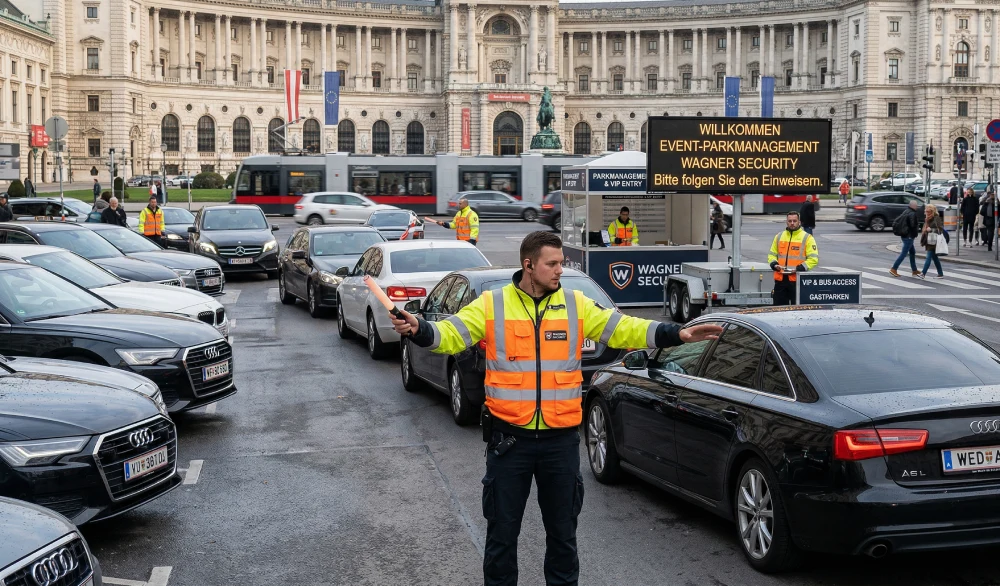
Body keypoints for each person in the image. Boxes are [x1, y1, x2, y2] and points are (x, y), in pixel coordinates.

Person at [388, 231, 723, 586]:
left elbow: (625, 329)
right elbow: (451, 334)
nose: (560, 270)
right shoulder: (492, 304)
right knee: (502, 538)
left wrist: (676, 334)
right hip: (508, 443)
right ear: (528, 265)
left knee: (563, 539)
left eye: (562, 263)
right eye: (553, 263)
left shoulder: (576, 305)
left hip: (559, 444)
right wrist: (419, 329)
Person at [767, 211, 819, 305]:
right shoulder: (779, 236)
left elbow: (813, 259)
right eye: (790, 221)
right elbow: (772, 254)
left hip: (797, 281)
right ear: (786, 222)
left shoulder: (807, 238)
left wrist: (798, 269)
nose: (792, 223)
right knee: (778, 311)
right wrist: (774, 264)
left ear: (799, 222)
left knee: (798, 311)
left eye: (794, 221)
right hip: (780, 280)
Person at [889, 200, 920, 278]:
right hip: (909, 236)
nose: (917, 207)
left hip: (905, 235)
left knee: (912, 252)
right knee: (904, 253)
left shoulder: (906, 211)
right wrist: (917, 226)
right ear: (913, 206)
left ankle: (914, 270)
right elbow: (913, 225)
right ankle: (894, 268)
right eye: (916, 206)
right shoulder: (912, 213)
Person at [920, 204, 944, 279]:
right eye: (926, 211)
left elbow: (940, 229)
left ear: (932, 211)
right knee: (935, 258)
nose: (926, 213)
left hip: (934, 240)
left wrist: (932, 230)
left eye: (928, 211)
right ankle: (940, 274)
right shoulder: (927, 219)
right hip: (929, 240)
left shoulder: (936, 218)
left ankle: (923, 273)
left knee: (929, 257)